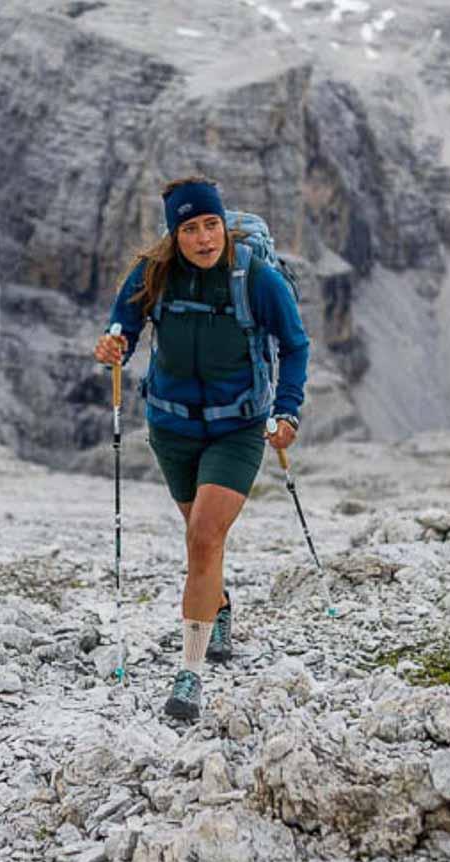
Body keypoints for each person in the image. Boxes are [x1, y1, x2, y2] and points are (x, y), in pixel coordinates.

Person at [93, 175, 310, 722]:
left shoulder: (256, 278)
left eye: (212, 224)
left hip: (238, 427)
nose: (205, 237)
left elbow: (295, 345)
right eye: (191, 228)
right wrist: (113, 345)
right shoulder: (153, 273)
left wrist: (287, 410)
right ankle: (221, 605)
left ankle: (189, 674)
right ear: (175, 234)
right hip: (171, 428)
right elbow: (123, 325)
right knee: (201, 540)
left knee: (204, 537)